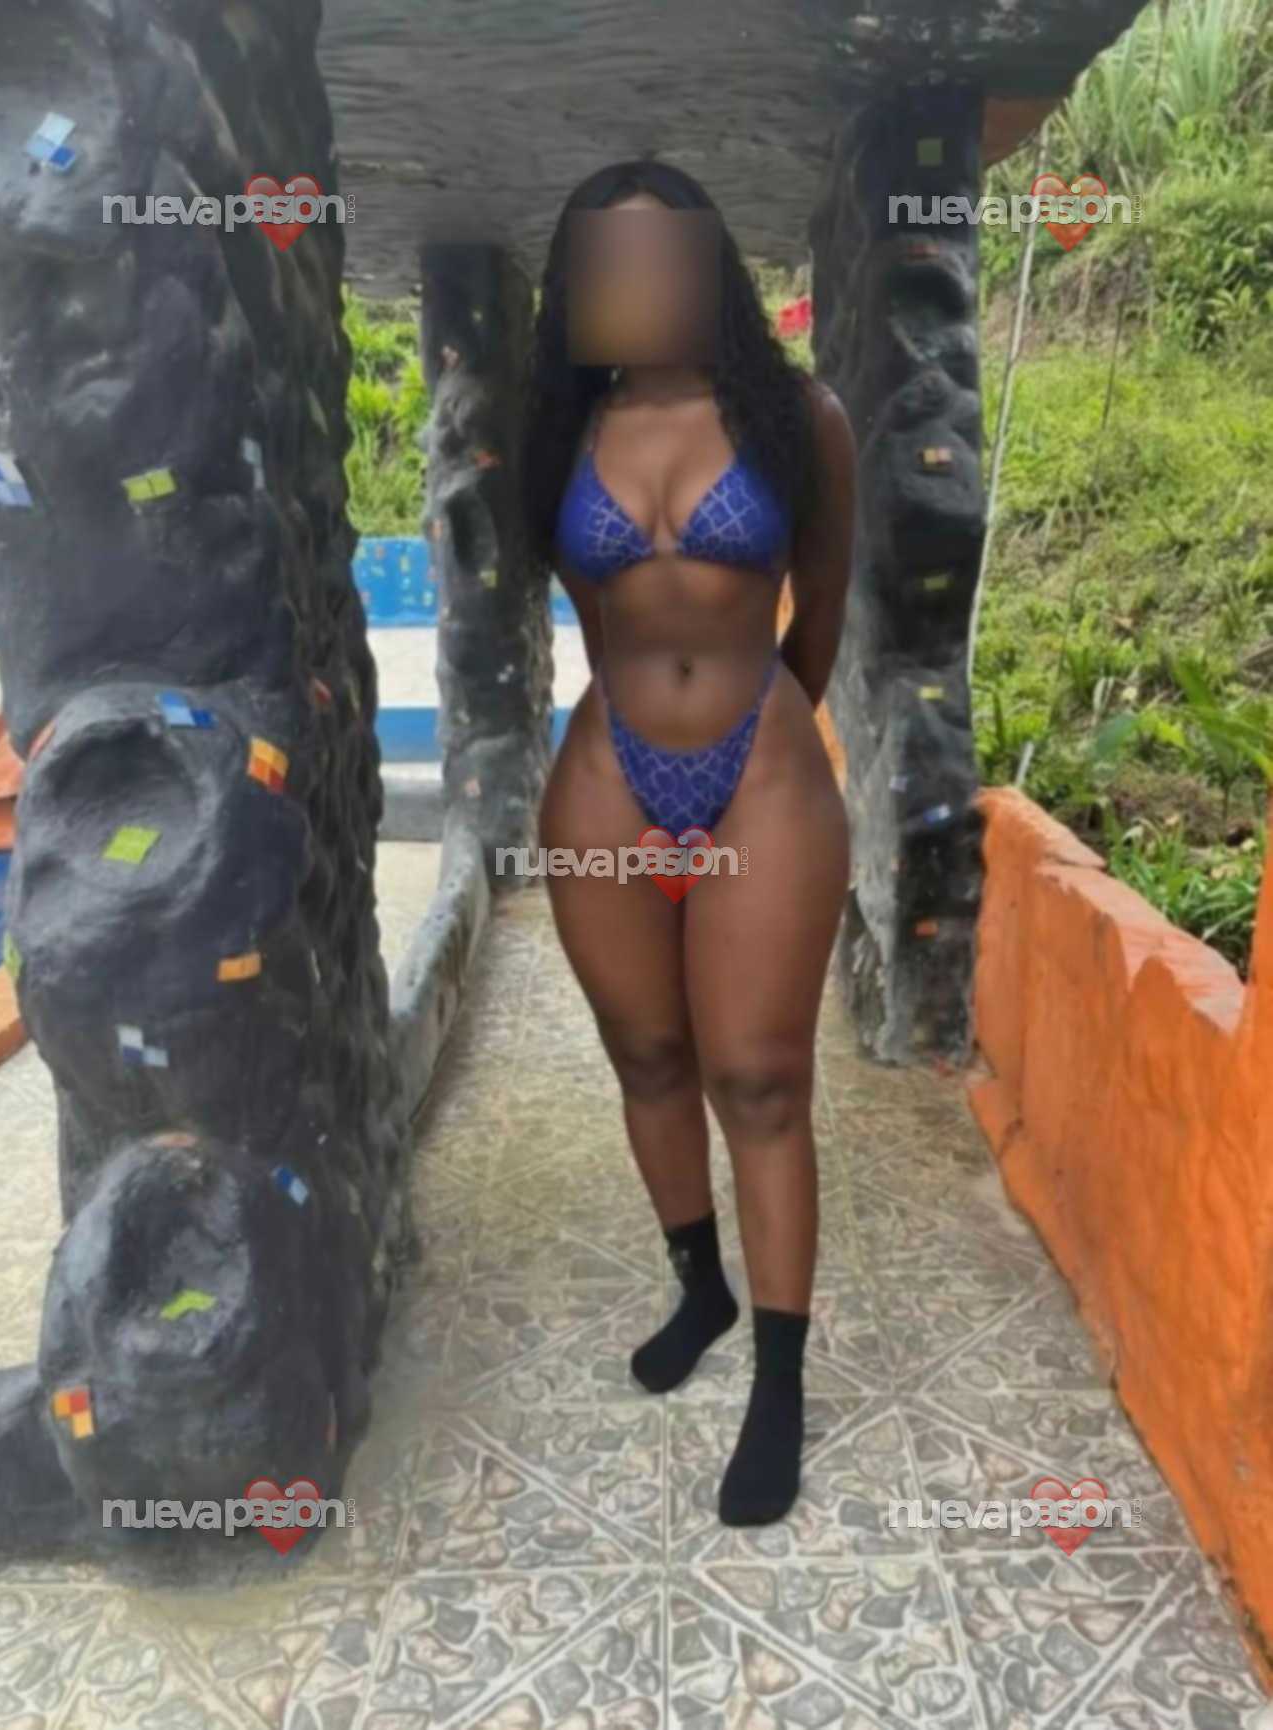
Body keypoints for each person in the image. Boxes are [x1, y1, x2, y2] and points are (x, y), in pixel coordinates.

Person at [520, 159, 856, 1526]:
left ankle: (778, 1382)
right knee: (647, 1053)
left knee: (758, 1077)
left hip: (758, 770)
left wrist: (763, 737)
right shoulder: (563, 432)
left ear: (711, 271)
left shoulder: (799, 420)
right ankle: (699, 1286)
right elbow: (592, 613)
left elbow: (821, 605)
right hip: (608, 770)